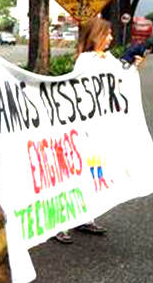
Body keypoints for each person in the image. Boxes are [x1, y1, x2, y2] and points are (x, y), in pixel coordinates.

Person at [54, 17, 144, 244]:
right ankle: (59, 224)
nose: (111, 39)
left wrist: (131, 65)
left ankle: (85, 217)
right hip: (82, 130)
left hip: (98, 130)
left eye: (112, 34)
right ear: (95, 36)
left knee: (93, 173)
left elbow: (118, 81)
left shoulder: (107, 58)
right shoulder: (85, 60)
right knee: (75, 175)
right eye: (107, 34)